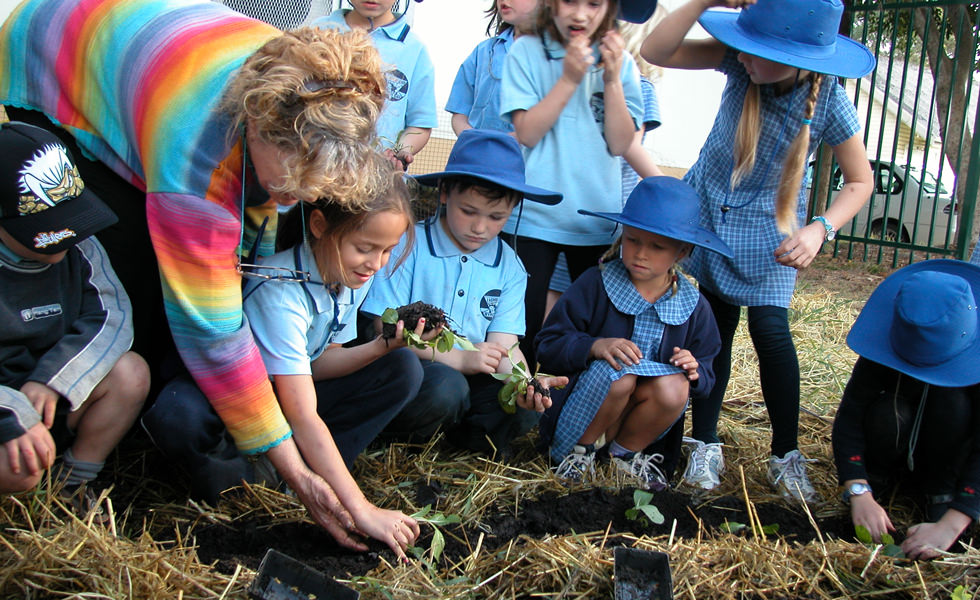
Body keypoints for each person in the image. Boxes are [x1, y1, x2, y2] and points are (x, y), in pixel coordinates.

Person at [0, 0, 395, 548]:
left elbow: (257, 205)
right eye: (288, 185)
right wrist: (295, 472)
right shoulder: (196, 149)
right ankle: (67, 442)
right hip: (57, 49)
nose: (291, 202)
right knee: (131, 255)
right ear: (254, 124)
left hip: (159, 57)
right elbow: (209, 329)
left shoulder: (319, 89)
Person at [641, 0, 876, 501]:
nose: (745, 57)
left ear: (795, 57)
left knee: (771, 334)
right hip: (711, 220)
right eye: (743, 47)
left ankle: (786, 454)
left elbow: (860, 181)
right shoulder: (737, 62)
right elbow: (656, 49)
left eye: (757, 50)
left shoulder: (829, 100)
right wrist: (704, 3)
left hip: (772, 234)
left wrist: (820, 230)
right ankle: (703, 443)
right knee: (713, 335)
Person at [242, 155, 423, 559]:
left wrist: (384, 345)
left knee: (401, 367)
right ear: (321, 226)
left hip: (293, 394)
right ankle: (291, 478)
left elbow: (321, 363)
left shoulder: (346, 274)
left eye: (387, 250)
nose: (375, 265)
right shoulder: (280, 292)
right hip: (253, 412)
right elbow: (301, 413)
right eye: (365, 248)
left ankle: (311, 477)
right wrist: (362, 510)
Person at [361, 129, 567, 455]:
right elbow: (381, 327)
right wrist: (459, 358)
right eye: (468, 211)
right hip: (411, 368)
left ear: (513, 208)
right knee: (445, 388)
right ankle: (394, 443)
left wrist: (526, 384)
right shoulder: (405, 244)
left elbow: (505, 345)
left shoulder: (509, 266)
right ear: (444, 193)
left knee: (519, 408)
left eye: (496, 216)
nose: (480, 227)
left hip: (470, 373)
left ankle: (455, 449)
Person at [535, 176, 729, 491]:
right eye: (633, 240)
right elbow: (547, 345)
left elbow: (707, 369)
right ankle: (577, 454)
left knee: (674, 388)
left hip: (637, 418)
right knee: (620, 375)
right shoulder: (595, 284)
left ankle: (624, 456)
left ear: (682, 252)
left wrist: (694, 370)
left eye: (657, 246)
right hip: (584, 416)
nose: (641, 254)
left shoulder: (693, 305)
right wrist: (594, 346)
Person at [0, 122, 149, 514]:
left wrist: (54, 381)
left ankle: (70, 489)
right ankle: (20, 504)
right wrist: (12, 414)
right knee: (20, 469)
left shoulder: (79, 247)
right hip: (6, 409)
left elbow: (112, 316)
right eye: (47, 229)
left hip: (51, 391)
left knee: (131, 374)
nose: (67, 238)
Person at [500, 0, 646, 370]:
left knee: (592, 325)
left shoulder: (621, 62)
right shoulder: (526, 51)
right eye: (570, 1)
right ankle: (521, 408)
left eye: (594, 3)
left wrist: (611, 80)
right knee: (524, 323)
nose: (580, 14)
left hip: (596, 220)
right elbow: (527, 133)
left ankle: (573, 409)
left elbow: (620, 143)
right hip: (533, 216)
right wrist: (568, 79)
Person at [832, 259, 980, 560]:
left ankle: (939, 491)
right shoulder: (889, 345)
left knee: (954, 403)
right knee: (889, 408)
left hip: (950, 463)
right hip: (892, 448)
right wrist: (859, 490)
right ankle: (881, 480)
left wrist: (954, 521)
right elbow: (850, 417)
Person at [545, 13, 668, 320]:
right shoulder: (639, 86)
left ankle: (542, 359)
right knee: (594, 295)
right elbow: (630, 147)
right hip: (603, 211)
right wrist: (667, 190)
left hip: (565, 203)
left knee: (555, 291)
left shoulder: (583, 78)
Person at [313, 0, 436, 170]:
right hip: (316, 170)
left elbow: (420, 123)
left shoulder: (414, 49)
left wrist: (398, 153)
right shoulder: (318, 32)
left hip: (378, 176)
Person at [446, 0, 541, 136]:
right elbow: (460, 112)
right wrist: (473, 140)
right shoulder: (483, 51)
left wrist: (506, 143)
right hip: (477, 153)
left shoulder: (557, 58)